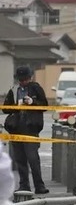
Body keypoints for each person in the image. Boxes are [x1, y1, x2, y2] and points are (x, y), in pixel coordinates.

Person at [2, 66, 48, 194]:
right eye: (21, 80)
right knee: (20, 159)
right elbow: (5, 109)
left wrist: (32, 102)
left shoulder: (36, 88)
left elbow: (44, 105)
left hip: (31, 128)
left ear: (30, 78)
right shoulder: (13, 90)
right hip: (16, 128)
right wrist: (16, 106)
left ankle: (39, 185)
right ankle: (24, 185)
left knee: (33, 158)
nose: (23, 82)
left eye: (25, 79)